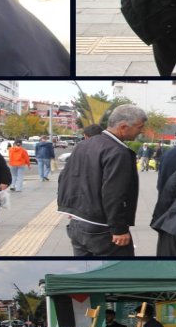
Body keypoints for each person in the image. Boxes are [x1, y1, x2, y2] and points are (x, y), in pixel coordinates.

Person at [58, 106, 145, 257]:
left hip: (77, 224)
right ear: (123, 127)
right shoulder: (118, 152)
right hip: (103, 229)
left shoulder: (84, 144)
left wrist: (69, 208)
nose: (141, 131)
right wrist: (119, 229)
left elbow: (65, 178)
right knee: (120, 270)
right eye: (140, 127)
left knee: (87, 269)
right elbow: (114, 193)